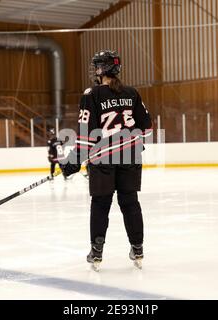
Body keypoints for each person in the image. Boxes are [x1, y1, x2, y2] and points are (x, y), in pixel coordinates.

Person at [60, 50, 152, 270]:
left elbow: (85, 136)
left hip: (102, 160)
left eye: (96, 67)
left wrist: (72, 163)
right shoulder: (132, 93)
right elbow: (147, 128)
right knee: (130, 203)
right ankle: (137, 248)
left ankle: (97, 252)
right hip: (130, 156)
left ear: (101, 69)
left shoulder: (91, 95)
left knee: (101, 204)